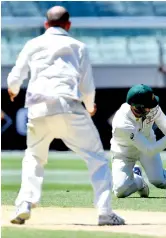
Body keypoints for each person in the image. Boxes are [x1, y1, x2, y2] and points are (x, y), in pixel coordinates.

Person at [7, 6, 124, 226]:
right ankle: (105, 212)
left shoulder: (33, 44)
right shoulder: (78, 46)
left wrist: (13, 89)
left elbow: (15, 77)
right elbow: (87, 85)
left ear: (45, 24)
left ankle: (24, 203)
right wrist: (90, 107)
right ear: (68, 25)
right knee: (97, 159)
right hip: (69, 106)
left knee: (33, 156)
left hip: (37, 109)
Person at [110, 84, 166, 199]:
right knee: (120, 191)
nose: (152, 108)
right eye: (148, 106)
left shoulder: (152, 107)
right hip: (124, 152)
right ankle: (138, 181)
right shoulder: (122, 123)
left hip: (148, 143)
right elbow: (149, 150)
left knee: (158, 180)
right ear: (137, 107)